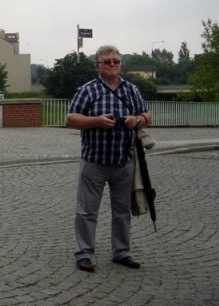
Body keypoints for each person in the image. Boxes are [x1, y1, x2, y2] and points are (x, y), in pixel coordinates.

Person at [66, 45, 151, 273]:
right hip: (94, 161)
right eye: (107, 61)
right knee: (86, 211)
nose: (112, 64)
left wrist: (137, 120)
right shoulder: (87, 90)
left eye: (116, 61)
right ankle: (84, 254)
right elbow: (71, 119)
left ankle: (122, 252)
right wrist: (97, 121)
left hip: (124, 161)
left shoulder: (131, 89)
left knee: (122, 211)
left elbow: (146, 114)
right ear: (98, 66)